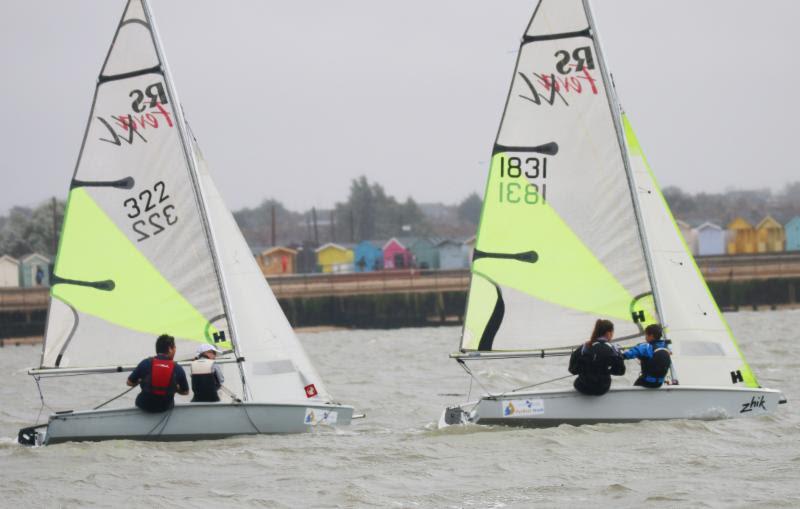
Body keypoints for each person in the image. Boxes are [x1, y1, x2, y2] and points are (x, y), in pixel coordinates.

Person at [127, 334, 189, 412]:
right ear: (170, 349)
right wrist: (175, 388)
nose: (175, 350)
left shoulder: (145, 363)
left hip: (144, 406)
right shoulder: (177, 368)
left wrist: (140, 381)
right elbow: (185, 392)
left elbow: (129, 382)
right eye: (174, 348)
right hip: (164, 408)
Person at [568, 319, 626, 396]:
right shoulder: (613, 349)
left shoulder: (585, 347)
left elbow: (572, 370)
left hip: (582, 387)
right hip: (602, 389)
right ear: (608, 333)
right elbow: (620, 371)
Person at [623, 323, 672, 388]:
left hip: (646, 383)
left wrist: (621, 355)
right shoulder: (665, 346)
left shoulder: (646, 347)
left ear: (651, 336)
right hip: (659, 384)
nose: (645, 337)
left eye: (646, 335)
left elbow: (628, 355)